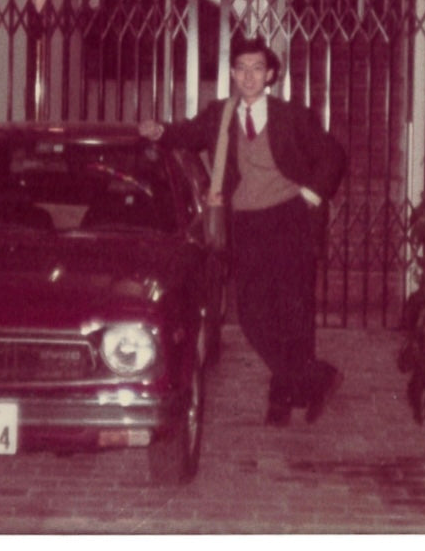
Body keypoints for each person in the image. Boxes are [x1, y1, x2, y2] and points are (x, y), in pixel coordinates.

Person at [139, 36, 347, 426]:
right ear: (233, 74)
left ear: (269, 75)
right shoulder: (221, 115)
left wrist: (312, 194)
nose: (249, 76)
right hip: (246, 225)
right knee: (252, 316)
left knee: (294, 312)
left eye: (257, 68)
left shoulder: (291, 116)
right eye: (241, 69)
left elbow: (332, 155)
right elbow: (186, 133)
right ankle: (315, 378)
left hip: (290, 220)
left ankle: (283, 396)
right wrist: (160, 131)